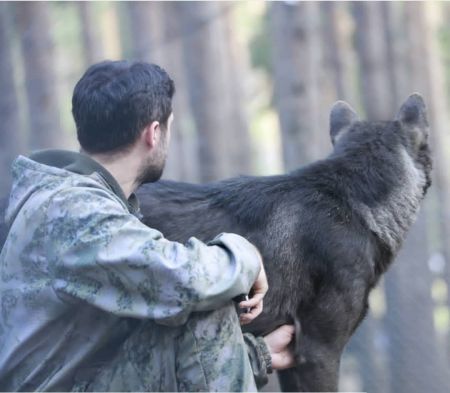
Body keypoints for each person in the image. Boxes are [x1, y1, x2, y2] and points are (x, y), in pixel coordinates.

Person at [0, 60, 295, 391]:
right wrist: (245, 253)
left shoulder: (70, 200)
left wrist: (254, 356)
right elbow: (188, 280)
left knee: (185, 306)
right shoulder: (76, 213)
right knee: (203, 299)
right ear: (153, 134)